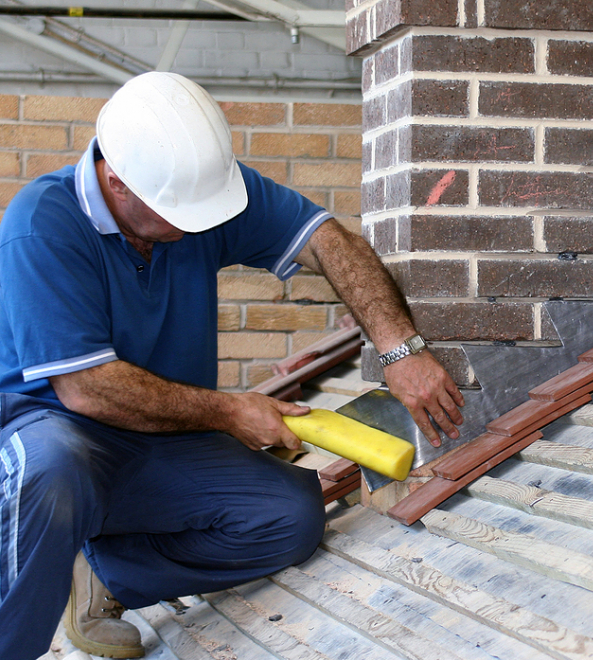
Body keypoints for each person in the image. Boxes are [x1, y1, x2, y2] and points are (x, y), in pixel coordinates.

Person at [0, 72, 464, 659]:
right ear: (118, 183)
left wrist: (400, 348)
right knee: (52, 473)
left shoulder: (199, 194)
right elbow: (88, 390)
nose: (200, 228)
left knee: (289, 517)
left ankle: (107, 571)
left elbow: (328, 239)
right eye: (181, 216)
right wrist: (229, 412)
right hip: (54, 432)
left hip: (161, 434)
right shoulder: (42, 225)